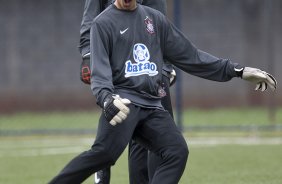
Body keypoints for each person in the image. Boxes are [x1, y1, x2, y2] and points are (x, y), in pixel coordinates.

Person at [49, 0, 277, 183]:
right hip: (123, 104)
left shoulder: (154, 19)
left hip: (152, 106)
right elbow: (100, 72)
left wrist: (237, 70)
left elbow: (192, 56)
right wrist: (107, 98)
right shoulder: (102, 23)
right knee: (104, 155)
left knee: (176, 151)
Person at [79, 0, 175, 183]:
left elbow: (160, 25)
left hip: (148, 67)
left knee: (151, 135)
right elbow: (91, 18)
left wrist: (166, 67)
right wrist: (87, 55)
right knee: (115, 122)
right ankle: (102, 168)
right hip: (115, 61)